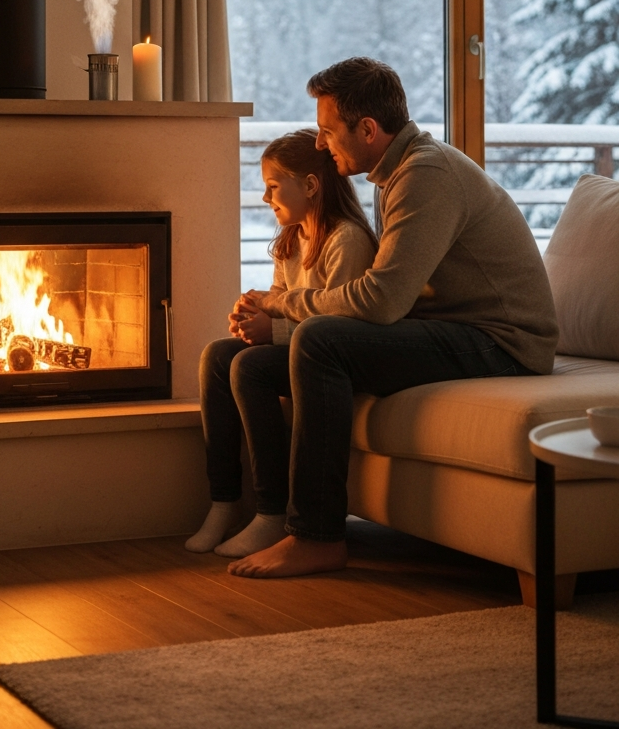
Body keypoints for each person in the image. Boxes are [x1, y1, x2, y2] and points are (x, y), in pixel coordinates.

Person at [227, 57, 559, 579]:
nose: (319, 144)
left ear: (368, 130)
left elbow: (382, 301)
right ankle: (270, 512)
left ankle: (316, 536)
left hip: (501, 342)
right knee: (253, 365)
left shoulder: (425, 174)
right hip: (452, 327)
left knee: (318, 341)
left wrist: (281, 304)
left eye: (327, 131)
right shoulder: (393, 173)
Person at [186, 128, 378, 557]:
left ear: (310, 185)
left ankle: (272, 513)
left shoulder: (346, 240)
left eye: (273, 186)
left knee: (248, 367)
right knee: (218, 355)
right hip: (297, 347)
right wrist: (253, 313)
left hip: (330, 363)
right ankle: (224, 501)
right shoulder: (291, 238)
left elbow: (337, 329)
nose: (265, 197)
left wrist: (270, 331)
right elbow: (284, 303)